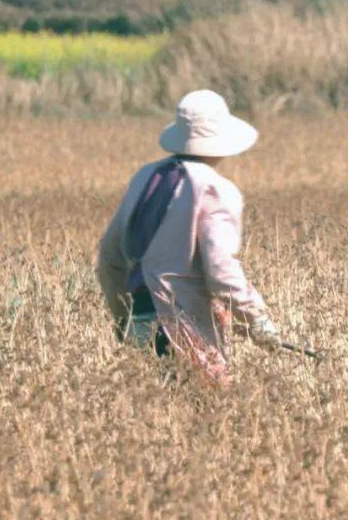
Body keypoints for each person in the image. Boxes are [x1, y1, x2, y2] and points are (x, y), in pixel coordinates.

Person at [96, 89, 281, 384]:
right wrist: (256, 319)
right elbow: (221, 269)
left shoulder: (145, 177)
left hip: (140, 322)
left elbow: (110, 258)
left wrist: (122, 320)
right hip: (183, 324)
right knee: (207, 414)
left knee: (152, 415)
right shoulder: (215, 189)